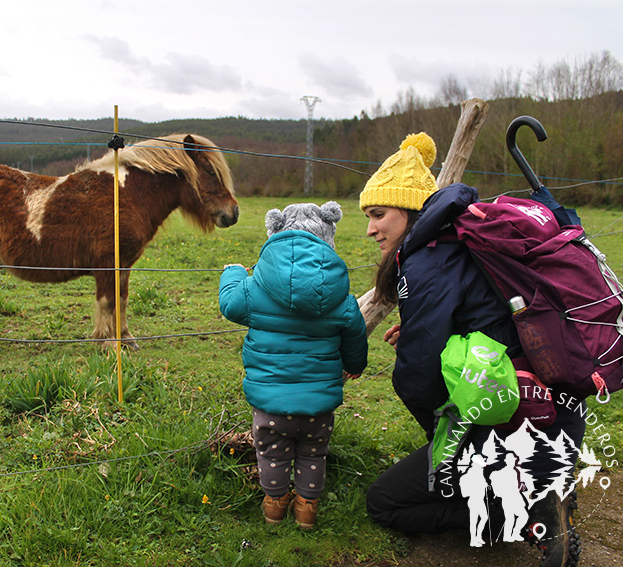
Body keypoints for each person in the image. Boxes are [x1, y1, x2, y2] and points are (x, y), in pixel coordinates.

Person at [359, 133, 585, 567]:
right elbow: (483, 320)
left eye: (378, 214)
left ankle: (525, 514)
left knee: (385, 502)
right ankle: (541, 481)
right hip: (554, 412)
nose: (370, 228)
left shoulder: (425, 261)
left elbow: (418, 375)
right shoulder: (461, 243)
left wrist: (443, 441)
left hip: (511, 421)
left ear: (409, 210)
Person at [219, 201, 368, 529]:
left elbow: (230, 304)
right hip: (319, 405)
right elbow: (356, 332)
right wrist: (355, 364)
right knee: (314, 453)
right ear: (329, 236)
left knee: (272, 453)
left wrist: (232, 272)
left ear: (274, 231)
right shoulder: (339, 294)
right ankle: (306, 510)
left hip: (270, 404)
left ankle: (274, 505)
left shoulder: (256, 287)